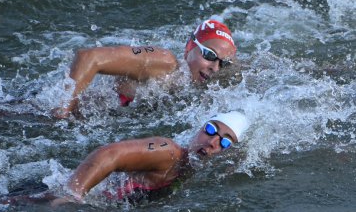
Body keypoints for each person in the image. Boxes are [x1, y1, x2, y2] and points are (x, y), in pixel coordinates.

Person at [51, 110, 249, 205]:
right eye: (211, 129)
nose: (212, 142)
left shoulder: (197, 171)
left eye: (225, 142)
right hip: (50, 196)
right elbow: (109, 153)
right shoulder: (169, 152)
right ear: (200, 128)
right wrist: (71, 195)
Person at [54, 19, 237, 118]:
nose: (215, 67)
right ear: (189, 48)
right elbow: (88, 57)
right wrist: (62, 112)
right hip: (57, 113)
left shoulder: (210, 80)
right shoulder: (164, 63)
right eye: (209, 55)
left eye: (223, 63)